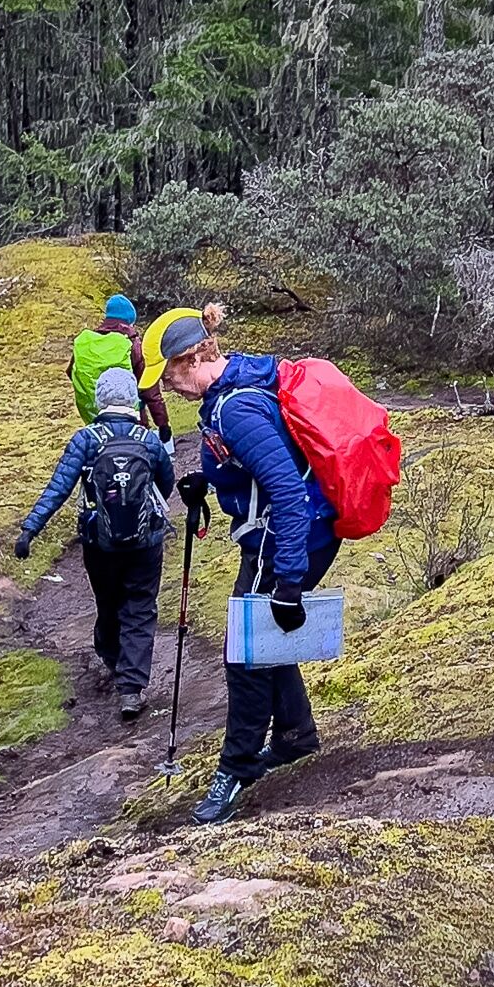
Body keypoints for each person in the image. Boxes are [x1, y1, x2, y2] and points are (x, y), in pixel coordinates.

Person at [138, 303, 333, 826]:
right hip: (293, 532)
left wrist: (289, 582)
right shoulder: (235, 385)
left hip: (289, 535)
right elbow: (258, 464)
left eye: (171, 375)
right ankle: (294, 737)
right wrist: (211, 484)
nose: (169, 388)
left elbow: (289, 494)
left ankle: (236, 769)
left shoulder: (236, 408)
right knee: (261, 636)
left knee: (244, 652)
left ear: (192, 358)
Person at [15, 365, 177, 721]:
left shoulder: (85, 440)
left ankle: (112, 659)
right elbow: (167, 484)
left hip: (98, 543)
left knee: (108, 602)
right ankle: (131, 689)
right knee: (140, 607)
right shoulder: (148, 441)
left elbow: (58, 489)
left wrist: (30, 530)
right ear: (133, 400)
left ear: (99, 399)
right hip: (145, 541)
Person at [70, 293, 174, 441]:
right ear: (129, 321)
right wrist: (163, 423)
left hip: (96, 422)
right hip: (132, 423)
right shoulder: (131, 344)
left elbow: (72, 373)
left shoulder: (85, 343)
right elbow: (149, 388)